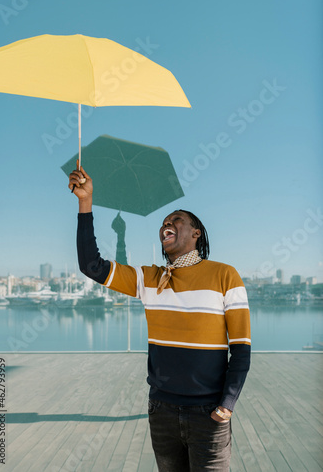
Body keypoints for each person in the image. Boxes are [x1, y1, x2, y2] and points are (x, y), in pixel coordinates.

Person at [69, 161, 251, 472]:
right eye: (164, 221)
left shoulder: (225, 275)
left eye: (176, 220)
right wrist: (86, 202)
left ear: (196, 234)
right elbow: (91, 266)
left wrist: (226, 405)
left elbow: (241, 347)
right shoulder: (149, 278)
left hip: (209, 413)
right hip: (162, 410)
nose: (167, 224)